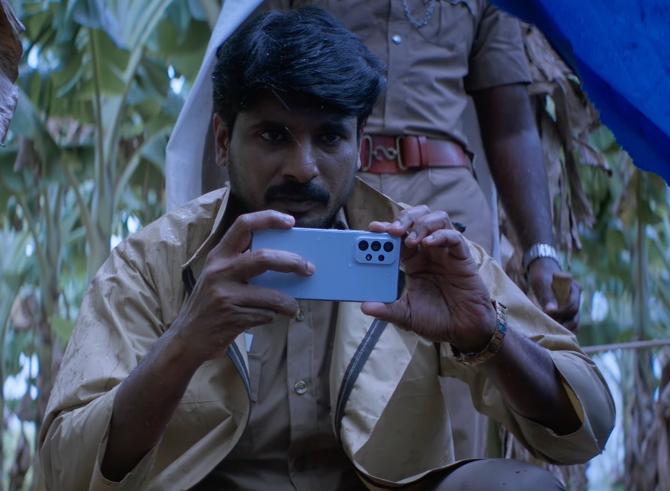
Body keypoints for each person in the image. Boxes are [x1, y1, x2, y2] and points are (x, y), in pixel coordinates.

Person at [41, 8, 614, 491]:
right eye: (273, 136)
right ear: (221, 140)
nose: (303, 167)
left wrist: (485, 333)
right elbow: (70, 475)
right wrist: (185, 341)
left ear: (359, 148)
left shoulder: (417, 254)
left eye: (330, 138)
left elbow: (588, 423)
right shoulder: (153, 261)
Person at [166, 0, 582, 459]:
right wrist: (220, 224)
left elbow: (511, 124)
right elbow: (251, 73)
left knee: (460, 397)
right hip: (320, 192)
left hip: (445, 205)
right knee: (309, 371)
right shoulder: (160, 254)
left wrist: (541, 252)